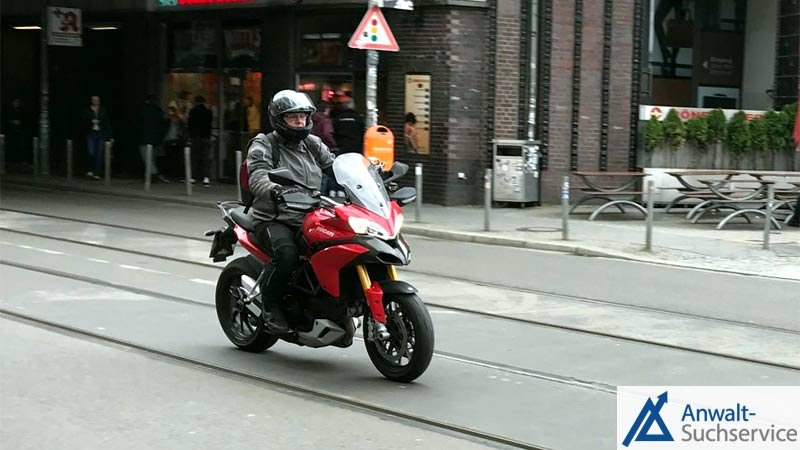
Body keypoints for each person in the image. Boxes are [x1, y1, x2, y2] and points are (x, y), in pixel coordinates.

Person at [247, 90, 335, 333]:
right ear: (278, 119)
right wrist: (274, 190)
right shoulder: (264, 144)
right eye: (292, 117)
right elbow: (258, 175)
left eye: (303, 117)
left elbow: (334, 167)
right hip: (274, 217)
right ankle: (270, 306)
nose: (300, 122)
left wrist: (371, 178)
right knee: (286, 254)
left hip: (311, 215)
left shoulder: (313, 144)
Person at [138, 95, 169, 183]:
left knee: (147, 159)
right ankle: (152, 175)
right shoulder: (159, 111)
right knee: (152, 158)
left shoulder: (143, 111)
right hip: (155, 140)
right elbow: (163, 126)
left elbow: (139, 124)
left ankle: (154, 174)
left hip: (144, 138)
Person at [83, 96, 112, 179]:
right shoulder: (87, 110)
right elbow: (83, 121)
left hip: (100, 133)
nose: (96, 101)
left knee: (99, 154)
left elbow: (107, 123)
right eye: (94, 100)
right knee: (91, 152)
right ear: (91, 101)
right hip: (91, 133)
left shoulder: (103, 110)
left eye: (97, 100)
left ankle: (97, 173)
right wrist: (91, 121)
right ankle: (90, 170)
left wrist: (110, 136)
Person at [188, 95, 213, 187]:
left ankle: (193, 177)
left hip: (195, 137)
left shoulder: (192, 111)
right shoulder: (208, 112)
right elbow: (210, 123)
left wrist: (190, 136)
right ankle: (206, 178)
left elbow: (190, 125)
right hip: (206, 137)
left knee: (194, 157)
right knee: (205, 158)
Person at [162, 101, 187, 179]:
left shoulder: (176, 121)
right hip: (171, 141)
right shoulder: (173, 120)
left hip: (174, 140)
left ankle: (174, 175)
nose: (169, 113)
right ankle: (173, 175)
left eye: (170, 111)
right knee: (172, 159)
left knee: (174, 159)